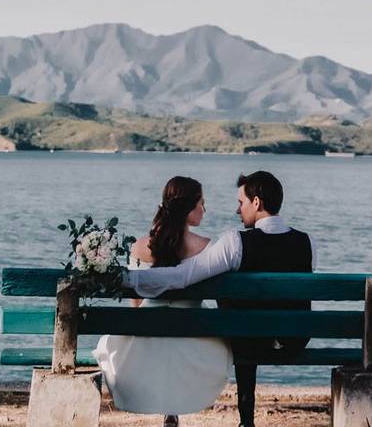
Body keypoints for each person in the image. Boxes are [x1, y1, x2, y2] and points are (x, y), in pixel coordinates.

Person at [125, 170, 315, 427]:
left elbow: (181, 276)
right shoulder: (306, 242)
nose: (238, 210)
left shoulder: (236, 242)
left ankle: (246, 420)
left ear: (256, 203)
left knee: (243, 319)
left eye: (241, 203)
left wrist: (128, 281)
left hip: (248, 343)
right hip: (294, 341)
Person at [93, 176, 232, 426]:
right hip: (193, 335)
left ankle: (166, 405)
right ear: (188, 208)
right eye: (201, 202)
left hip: (147, 333)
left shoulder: (138, 247)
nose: (204, 209)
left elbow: (134, 303)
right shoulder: (205, 247)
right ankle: (173, 407)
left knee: (146, 339)